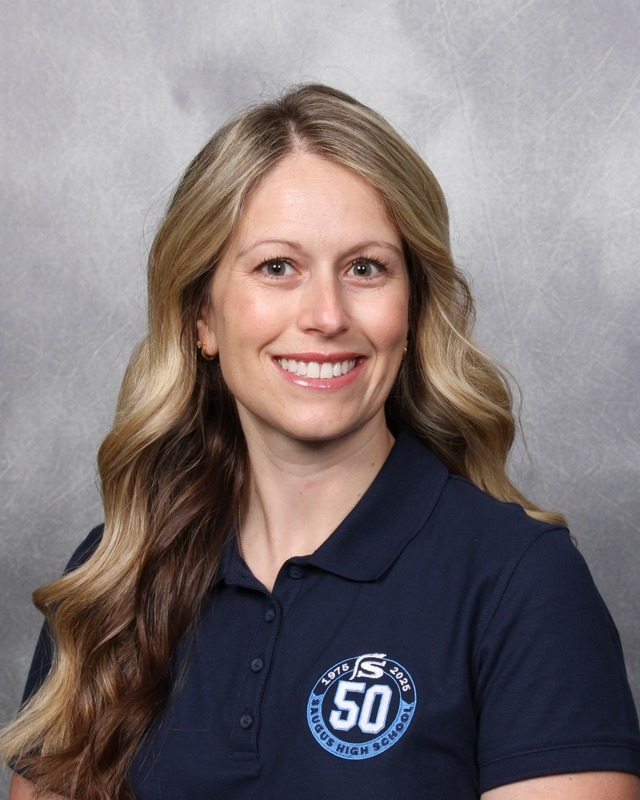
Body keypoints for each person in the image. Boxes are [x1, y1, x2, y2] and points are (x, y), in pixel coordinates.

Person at [2, 84, 639, 800]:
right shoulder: (114, 576)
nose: (327, 316)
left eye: (366, 268)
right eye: (277, 267)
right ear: (203, 317)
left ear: (412, 310)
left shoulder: (524, 583)